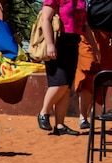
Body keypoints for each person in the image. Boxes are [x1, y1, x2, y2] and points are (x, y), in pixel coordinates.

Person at [37, 0, 100, 135]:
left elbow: (85, 26)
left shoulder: (81, 1)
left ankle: (60, 125)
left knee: (66, 88)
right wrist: (50, 44)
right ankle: (43, 113)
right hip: (57, 41)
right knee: (60, 83)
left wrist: (94, 47)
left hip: (73, 42)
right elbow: (46, 19)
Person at [74, 29, 112, 129]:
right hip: (88, 42)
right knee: (87, 79)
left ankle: (93, 113)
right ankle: (83, 117)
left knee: (104, 79)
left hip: (105, 44)